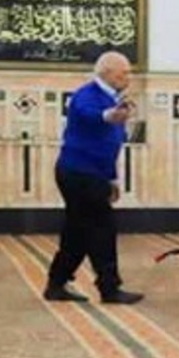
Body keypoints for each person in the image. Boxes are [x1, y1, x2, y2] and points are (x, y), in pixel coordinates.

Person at [45, 51, 143, 305]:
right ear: (107, 73)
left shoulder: (113, 99)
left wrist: (111, 179)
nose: (129, 77)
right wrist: (110, 115)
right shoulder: (87, 95)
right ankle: (109, 289)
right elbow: (92, 114)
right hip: (79, 174)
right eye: (124, 73)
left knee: (77, 232)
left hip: (93, 174)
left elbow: (109, 145)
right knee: (102, 228)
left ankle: (56, 284)